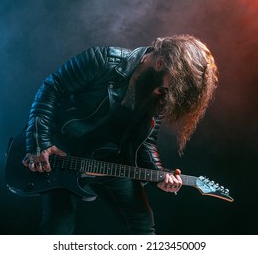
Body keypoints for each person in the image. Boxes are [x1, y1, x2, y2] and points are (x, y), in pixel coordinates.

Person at [21, 34, 218, 234]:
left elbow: (146, 141)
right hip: (64, 153)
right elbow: (52, 87)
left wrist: (160, 174)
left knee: (143, 226)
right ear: (159, 63)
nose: (166, 93)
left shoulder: (159, 93)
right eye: (168, 86)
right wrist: (39, 142)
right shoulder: (103, 60)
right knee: (58, 228)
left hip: (110, 161)